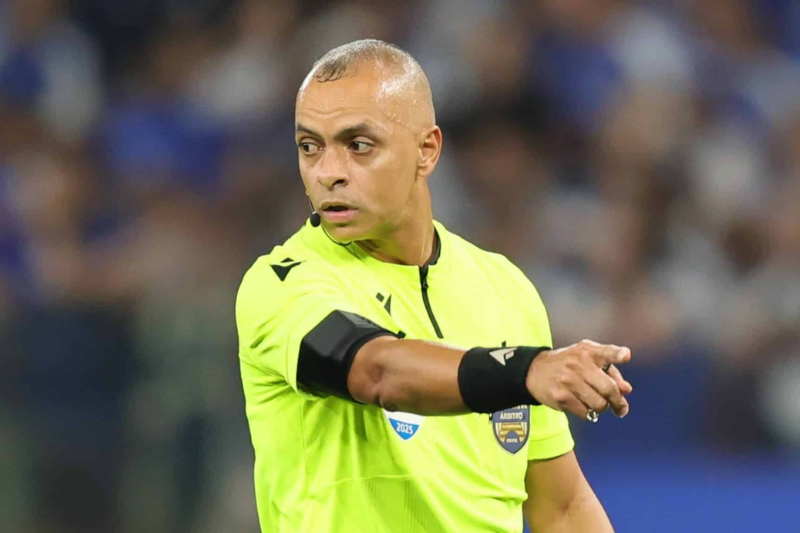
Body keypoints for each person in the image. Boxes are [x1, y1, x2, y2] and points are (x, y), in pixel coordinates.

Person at [236, 39, 633, 533]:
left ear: (426, 150)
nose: (328, 173)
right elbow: (378, 372)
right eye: (309, 147)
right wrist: (526, 369)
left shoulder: (504, 288)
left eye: (359, 145)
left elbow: (561, 508)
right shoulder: (282, 283)